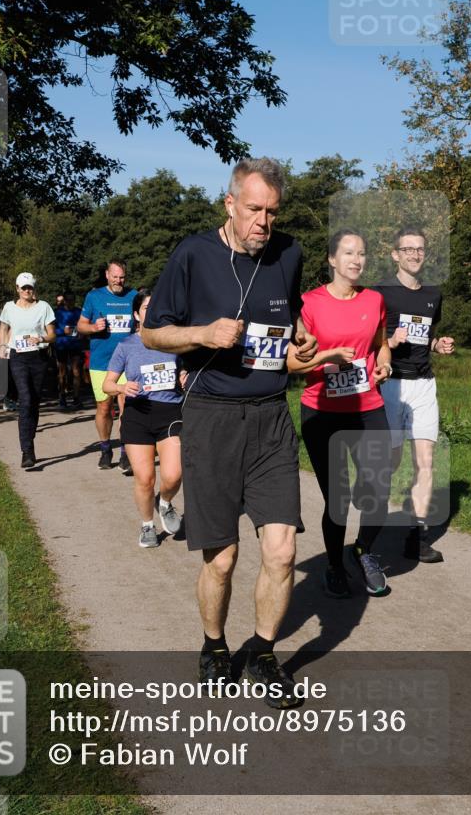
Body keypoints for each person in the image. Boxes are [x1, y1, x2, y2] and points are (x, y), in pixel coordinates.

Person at [142, 157, 317, 709]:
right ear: (230, 204)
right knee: (221, 558)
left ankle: (263, 654)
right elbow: (151, 334)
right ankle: (215, 645)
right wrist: (203, 334)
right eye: (254, 209)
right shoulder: (193, 254)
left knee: (282, 552)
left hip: (271, 417)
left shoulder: (289, 252)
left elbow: (289, 314)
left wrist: (300, 339)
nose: (263, 222)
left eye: (272, 211)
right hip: (212, 416)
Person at [288, 230, 393, 598]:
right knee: (339, 497)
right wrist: (328, 357)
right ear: (332, 259)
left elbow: (381, 345)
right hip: (322, 411)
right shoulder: (309, 304)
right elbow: (294, 365)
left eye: (361, 253)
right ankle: (334, 565)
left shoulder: (375, 300)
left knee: (379, 488)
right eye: (348, 253)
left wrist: (384, 364)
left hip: (368, 406)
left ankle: (363, 551)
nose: (356, 260)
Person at [375, 228, 455, 563]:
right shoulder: (380, 293)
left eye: (419, 249)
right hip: (392, 385)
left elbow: (426, 337)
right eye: (407, 249)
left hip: (424, 384)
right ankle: (371, 531)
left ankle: (417, 537)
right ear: (395, 254)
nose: (414, 254)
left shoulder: (433, 294)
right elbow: (367, 340)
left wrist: (439, 344)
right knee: (390, 462)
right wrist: (389, 343)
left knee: (426, 460)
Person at [103, 291, 183, 548]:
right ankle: (147, 525)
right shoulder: (126, 346)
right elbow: (107, 384)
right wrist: (121, 388)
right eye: (147, 307)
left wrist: (185, 377)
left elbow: (185, 371)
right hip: (138, 415)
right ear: (137, 315)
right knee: (145, 478)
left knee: (173, 475)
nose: (153, 310)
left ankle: (165, 502)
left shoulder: (174, 342)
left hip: (170, 413)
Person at [77, 261, 137, 471]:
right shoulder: (94, 296)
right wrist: (94, 327)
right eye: (115, 277)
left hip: (127, 361)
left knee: (127, 407)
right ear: (107, 275)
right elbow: (81, 326)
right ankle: (105, 448)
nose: (119, 281)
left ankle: (125, 452)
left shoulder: (133, 296)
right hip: (101, 361)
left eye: (122, 277)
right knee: (104, 408)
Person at [0, 273, 56, 469]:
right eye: (23, 288)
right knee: (25, 399)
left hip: (38, 358)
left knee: (34, 402)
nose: (27, 290)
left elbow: (52, 335)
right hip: (18, 357)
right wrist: (3, 346)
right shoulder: (9, 307)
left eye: (29, 287)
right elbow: (3, 328)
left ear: (34, 288)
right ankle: (27, 451)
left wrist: (41, 339)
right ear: (17, 289)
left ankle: (29, 438)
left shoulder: (44, 307)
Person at [53, 292, 84, 410]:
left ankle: (76, 398)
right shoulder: (57, 313)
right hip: (62, 345)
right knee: (62, 373)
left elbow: (83, 326)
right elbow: (51, 330)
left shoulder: (79, 312)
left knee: (76, 372)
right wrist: (62, 331)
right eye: (69, 300)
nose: (71, 302)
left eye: (73, 300)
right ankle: (62, 398)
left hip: (75, 345)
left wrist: (82, 333)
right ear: (64, 301)